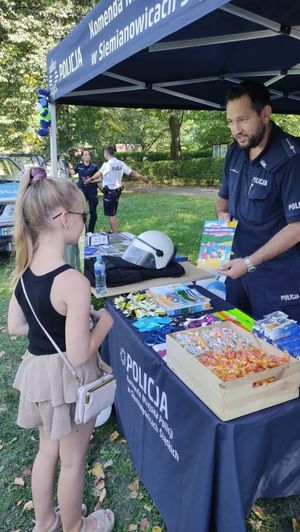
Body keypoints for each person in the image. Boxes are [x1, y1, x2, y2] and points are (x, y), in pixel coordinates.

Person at [7, 166, 115, 532]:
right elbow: (79, 353)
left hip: (39, 374)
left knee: (47, 451)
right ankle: (76, 526)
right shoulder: (73, 281)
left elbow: (15, 326)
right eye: (83, 215)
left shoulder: (25, 270)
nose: (85, 222)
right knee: (72, 461)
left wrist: (50, 324)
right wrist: (104, 323)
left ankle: (45, 522)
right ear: (65, 218)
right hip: (69, 380)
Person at [216, 80, 300, 320]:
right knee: (235, 341)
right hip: (237, 273)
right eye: (230, 122)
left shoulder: (291, 159)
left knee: (279, 354)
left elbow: (297, 227)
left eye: (242, 119)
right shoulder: (234, 152)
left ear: (265, 114)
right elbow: (222, 201)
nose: (236, 129)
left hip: (278, 280)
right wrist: (222, 218)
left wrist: (250, 262)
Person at [92, 145, 149, 233]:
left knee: (111, 215)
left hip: (109, 193)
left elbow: (99, 173)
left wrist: (90, 179)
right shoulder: (120, 163)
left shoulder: (107, 164)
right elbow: (132, 172)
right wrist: (143, 177)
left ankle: (114, 234)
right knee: (113, 213)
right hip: (117, 192)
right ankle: (112, 231)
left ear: (106, 154)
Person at [72, 150, 99, 233]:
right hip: (82, 192)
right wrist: (65, 167)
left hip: (92, 191)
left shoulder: (94, 166)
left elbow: (100, 178)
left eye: (88, 155)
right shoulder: (79, 166)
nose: (88, 156)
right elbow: (72, 172)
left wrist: (91, 181)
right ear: (82, 157)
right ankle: (84, 230)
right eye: (86, 155)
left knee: (93, 212)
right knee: (81, 212)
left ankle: (91, 231)